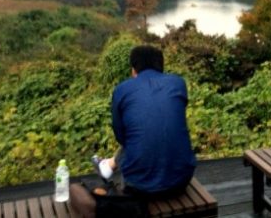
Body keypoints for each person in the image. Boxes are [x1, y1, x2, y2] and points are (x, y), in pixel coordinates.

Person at [70, 45, 197, 217]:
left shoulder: (122, 89)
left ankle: (108, 166)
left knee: (136, 138)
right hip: (181, 181)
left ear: (133, 69)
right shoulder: (178, 83)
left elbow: (121, 136)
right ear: (161, 66)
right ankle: (107, 165)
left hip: (139, 187)